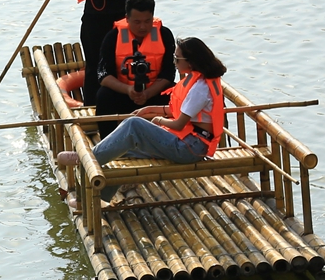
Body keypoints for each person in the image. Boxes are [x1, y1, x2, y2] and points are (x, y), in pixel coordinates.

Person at [89, 37, 229, 192]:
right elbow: (175, 111)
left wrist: (158, 120)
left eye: (177, 59)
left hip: (190, 148)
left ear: (190, 62)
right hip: (190, 142)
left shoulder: (200, 89)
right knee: (121, 148)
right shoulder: (196, 80)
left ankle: (87, 160)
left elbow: (178, 123)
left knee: (133, 124)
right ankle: (103, 195)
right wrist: (148, 110)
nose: (174, 63)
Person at [90, 0, 176, 137]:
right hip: (124, 93)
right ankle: (108, 140)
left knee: (175, 93)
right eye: (137, 22)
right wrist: (129, 90)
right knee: (103, 95)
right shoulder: (113, 37)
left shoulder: (164, 34)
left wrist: (148, 93)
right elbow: (103, 75)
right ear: (127, 18)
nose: (143, 27)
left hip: (154, 93)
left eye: (147, 21)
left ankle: (172, 137)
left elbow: (168, 73)